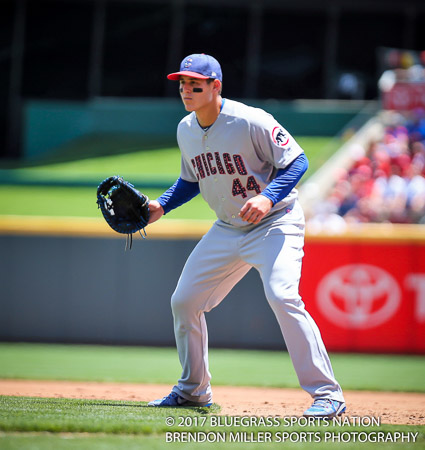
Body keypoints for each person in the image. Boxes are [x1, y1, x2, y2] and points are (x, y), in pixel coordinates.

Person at [147, 54, 345, 418]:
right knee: (185, 301)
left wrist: (268, 196)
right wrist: (161, 205)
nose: (186, 90)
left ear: (215, 86)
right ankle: (193, 391)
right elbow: (190, 180)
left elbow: (297, 161)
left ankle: (328, 395)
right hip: (228, 226)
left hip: (276, 222)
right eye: (182, 84)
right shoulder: (186, 129)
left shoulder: (250, 120)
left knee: (282, 295)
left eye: (195, 84)